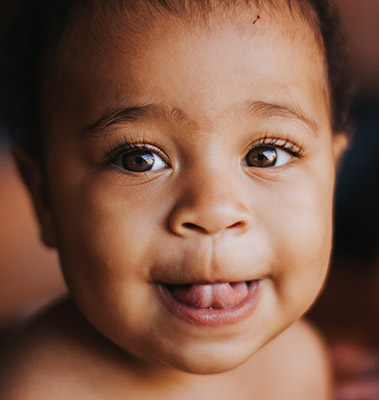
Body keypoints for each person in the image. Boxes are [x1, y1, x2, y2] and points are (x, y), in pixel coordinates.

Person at [0, 0, 351, 398]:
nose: (214, 211)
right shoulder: (39, 390)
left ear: (331, 177)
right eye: (139, 160)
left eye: (266, 155)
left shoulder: (301, 359)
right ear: (44, 197)